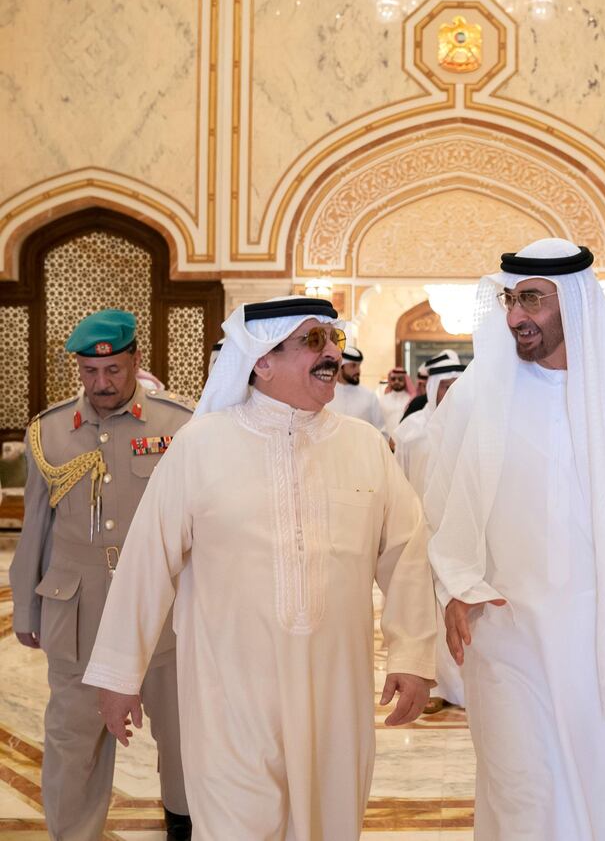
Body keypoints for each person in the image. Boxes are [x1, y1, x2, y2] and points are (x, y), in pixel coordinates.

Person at [81, 296, 437, 841]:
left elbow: (407, 553)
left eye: (333, 341)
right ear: (261, 360)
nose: (330, 355)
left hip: (334, 697)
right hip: (231, 697)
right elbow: (146, 561)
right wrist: (118, 675)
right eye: (312, 342)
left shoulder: (365, 447)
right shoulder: (202, 445)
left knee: (330, 824)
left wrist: (412, 656)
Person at [424, 238, 605, 839]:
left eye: (531, 299)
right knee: (520, 796)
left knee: (595, 793)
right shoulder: (480, 395)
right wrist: (455, 582)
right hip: (504, 637)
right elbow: (441, 505)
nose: (515, 317)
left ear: (577, 305)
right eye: (510, 299)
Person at [9, 309, 193, 841]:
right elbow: (35, 529)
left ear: (135, 360)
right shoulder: (49, 433)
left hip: (164, 615)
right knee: (72, 743)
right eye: (90, 372)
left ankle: (185, 825)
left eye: (112, 370)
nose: (102, 384)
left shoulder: (178, 426)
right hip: (78, 616)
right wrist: (27, 607)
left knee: (183, 739)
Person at [395, 351, 467, 713]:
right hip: (422, 533)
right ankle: (439, 685)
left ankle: (469, 689)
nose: (452, 394)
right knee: (430, 613)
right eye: (447, 387)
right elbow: (399, 482)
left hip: (464, 536)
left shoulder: (473, 427)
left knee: (464, 610)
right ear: (435, 386)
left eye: (459, 386)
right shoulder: (410, 432)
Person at [326, 344, 386, 433]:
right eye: (353, 366)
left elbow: (381, 431)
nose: (358, 371)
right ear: (340, 367)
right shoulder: (325, 394)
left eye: (359, 366)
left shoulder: (369, 396)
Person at [401, 351, 461, 424]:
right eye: (448, 387)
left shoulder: (467, 420)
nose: (453, 393)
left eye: (459, 388)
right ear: (433, 388)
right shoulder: (413, 423)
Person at [378, 367, 416, 436]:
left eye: (400, 379)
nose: (396, 381)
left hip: (406, 441)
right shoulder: (383, 400)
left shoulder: (411, 400)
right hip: (387, 441)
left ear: (405, 380)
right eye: (393, 379)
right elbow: (379, 423)